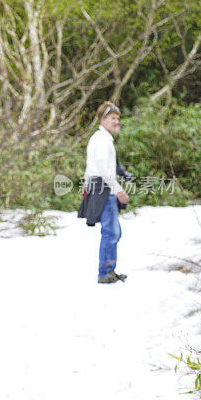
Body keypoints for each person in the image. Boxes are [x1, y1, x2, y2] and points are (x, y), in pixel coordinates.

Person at [78, 102, 131, 284]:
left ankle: (110, 269)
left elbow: (107, 165)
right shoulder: (100, 139)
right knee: (111, 232)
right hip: (102, 187)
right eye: (113, 118)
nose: (117, 122)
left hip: (103, 185)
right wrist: (118, 190)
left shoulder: (104, 139)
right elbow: (101, 166)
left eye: (118, 118)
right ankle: (104, 272)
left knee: (114, 232)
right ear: (102, 119)